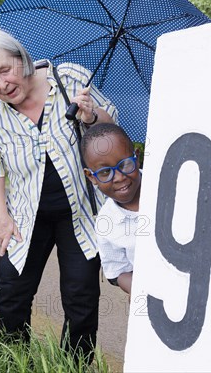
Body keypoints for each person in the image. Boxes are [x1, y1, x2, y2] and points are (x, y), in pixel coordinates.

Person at [0, 28, 118, 360]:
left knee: (81, 298)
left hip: (80, 213)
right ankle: (15, 363)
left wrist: (91, 115)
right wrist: (0, 218)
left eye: (5, 70)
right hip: (25, 215)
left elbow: (112, 131)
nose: (1, 83)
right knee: (11, 292)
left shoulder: (68, 78)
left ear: (22, 60)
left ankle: (73, 365)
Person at [81, 123, 142, 295]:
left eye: (125, 165)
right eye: (105, 172)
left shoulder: (168, 186)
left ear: (136, 156)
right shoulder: (106, 223)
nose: (119, 177)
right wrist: (138, 290)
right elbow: (118, 272)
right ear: (91, 177)